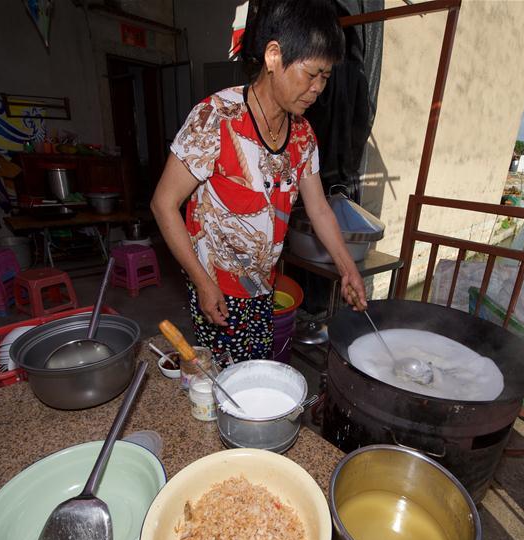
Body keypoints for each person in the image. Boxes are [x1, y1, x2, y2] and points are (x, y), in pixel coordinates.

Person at [151, 0, 367, 362]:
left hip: (263, 286)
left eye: (326, 77)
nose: (318, 88)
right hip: (216, 286)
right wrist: (202, 283)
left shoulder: (302, 135)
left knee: (258, 369)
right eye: (311, 73)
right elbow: (163, 204)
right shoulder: (216, 119)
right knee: (225, 383)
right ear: (273, 56)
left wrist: (348, 269)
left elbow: (319, 209)